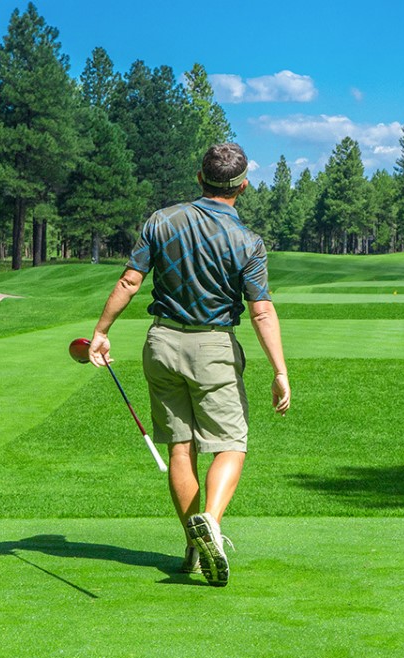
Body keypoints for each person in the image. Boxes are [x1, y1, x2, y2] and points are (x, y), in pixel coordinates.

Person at [88, 142, 290, 587]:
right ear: (244, 185)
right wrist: (279, 371)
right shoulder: (249, 242)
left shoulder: (161, 220)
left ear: (200, 178)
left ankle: (194, 544)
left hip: (161, 343)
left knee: (181, 447)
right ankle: (211, 526)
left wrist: (101, 331)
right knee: (230, 444)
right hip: (213, 347)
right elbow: (260, 311)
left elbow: (129, 280)